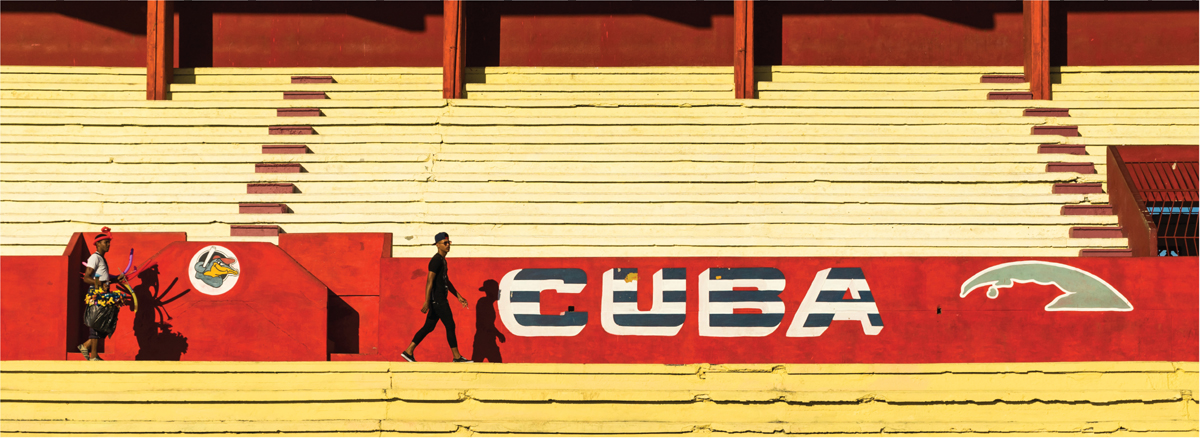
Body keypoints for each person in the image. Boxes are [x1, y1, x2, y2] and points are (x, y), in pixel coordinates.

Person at [402, 232, 472, 363]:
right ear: (438, 245)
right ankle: (457, 357)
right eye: (445, 243)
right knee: (450, 325)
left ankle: (408, 351)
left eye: (448, 242)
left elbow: (446, 280)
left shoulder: (442, 261)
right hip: (438, 300)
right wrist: (427, 301)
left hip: (438, 300)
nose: (448, 245)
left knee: (428, 327)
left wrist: (458, 296)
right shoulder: (435, 260)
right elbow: (429, 281)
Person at [78, 227, 127, 361]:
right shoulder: (94, 257)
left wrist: (116, 279)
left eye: (108, 242)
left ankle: (86, 345)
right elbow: (86, 278)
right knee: (97, 322)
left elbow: (104, 278)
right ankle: (93, 355)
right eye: (105, 242)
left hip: (103, 292)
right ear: (98, 244)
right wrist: (99, 285)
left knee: (104, 323)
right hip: (96, 293)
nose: (108, 245)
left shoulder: (101, 258)